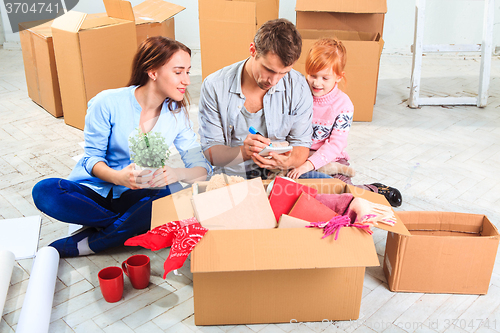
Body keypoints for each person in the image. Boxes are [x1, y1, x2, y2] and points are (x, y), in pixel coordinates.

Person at [32, 37, 212, 257]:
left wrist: (177, 173)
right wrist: (119, 177)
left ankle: (96, 241)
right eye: (178, 72)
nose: (187, 80)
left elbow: (202, 170)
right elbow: (91, 159)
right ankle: (130, 226)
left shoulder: (177, 115)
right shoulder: (107, 102)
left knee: (181, 196)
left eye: (188, 71)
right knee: (45, 191)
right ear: (153, 72)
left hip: (139, 196)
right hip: (96, 193)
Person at [286, 38, 402, 207]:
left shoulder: (343, 105)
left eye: (325, 78)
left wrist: (308, 166)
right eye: (312, 76)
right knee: (292, 189)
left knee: (342, 192)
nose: (317, 83)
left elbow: (335, 145)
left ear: (339, 77)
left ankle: (373, 190)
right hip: (300, 154)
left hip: (330, 159)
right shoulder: (299, 94)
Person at [198, 18, 315, 180]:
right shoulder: (214, 86)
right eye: (269, 70)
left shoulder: (299, 86)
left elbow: (301, 145)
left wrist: (286, 163)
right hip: (233, 177)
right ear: (253, 50)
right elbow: (211, 152)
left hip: (281, 175)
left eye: (283, 73)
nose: (273, 81)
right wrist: (244, 152)